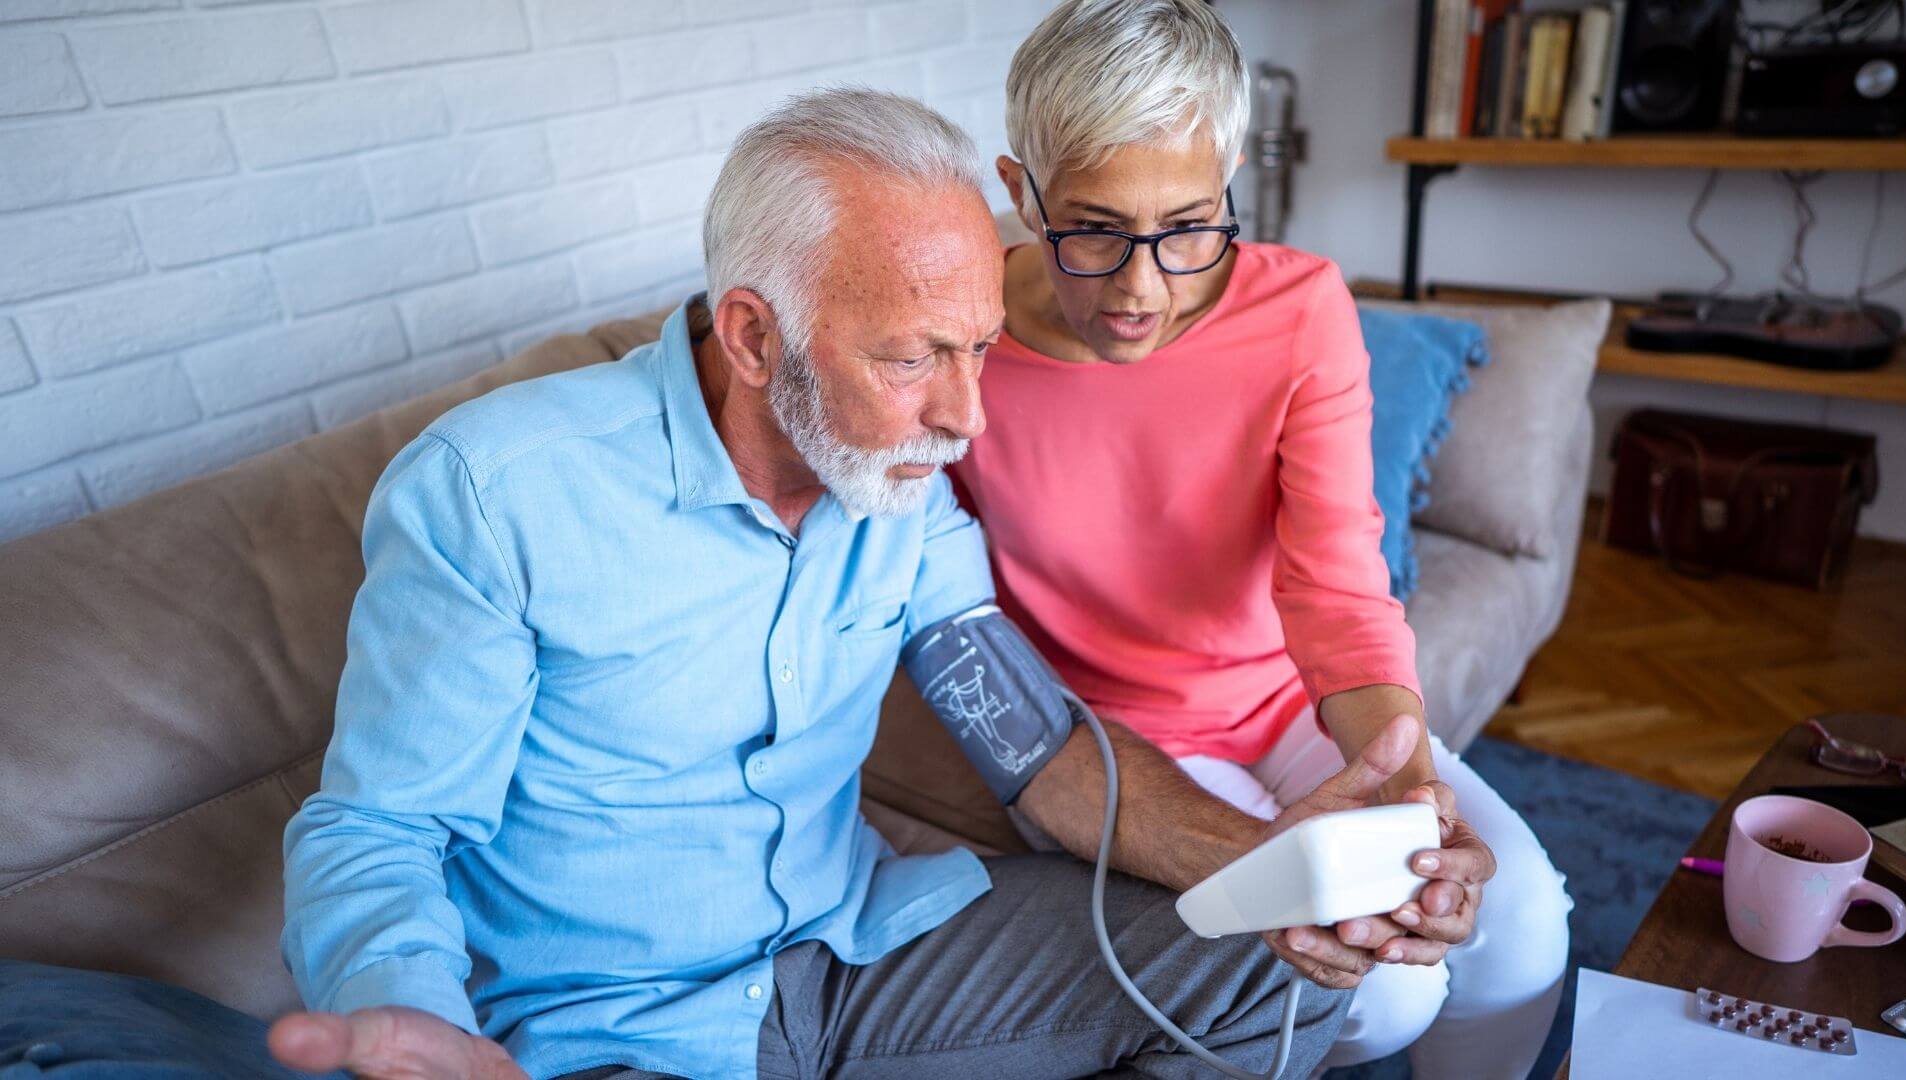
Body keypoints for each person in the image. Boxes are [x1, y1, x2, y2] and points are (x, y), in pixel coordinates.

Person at [259, 87, 1395, 1080]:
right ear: (755, 338)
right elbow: (378, 828)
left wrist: (1284, 870)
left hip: (860, 951)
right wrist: (409, 1025)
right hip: (613, 1032)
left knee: (1272, 972)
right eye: (914, 357)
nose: (969, 417)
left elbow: (1038, 749)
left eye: (981, 349)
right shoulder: (494, 494)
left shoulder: (904, 495)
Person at [947, 3, 1576, 1078]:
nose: (1143, 289)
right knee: (1387, 997)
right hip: (1120, 743)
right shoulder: (957, 336)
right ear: (1021, 191)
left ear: (1231, 174)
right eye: (1093, 227)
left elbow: (1338, 582)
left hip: (1290, 699)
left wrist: (1405, 783)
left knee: (1525, 936)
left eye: (1189, 225)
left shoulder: (1300, 309)